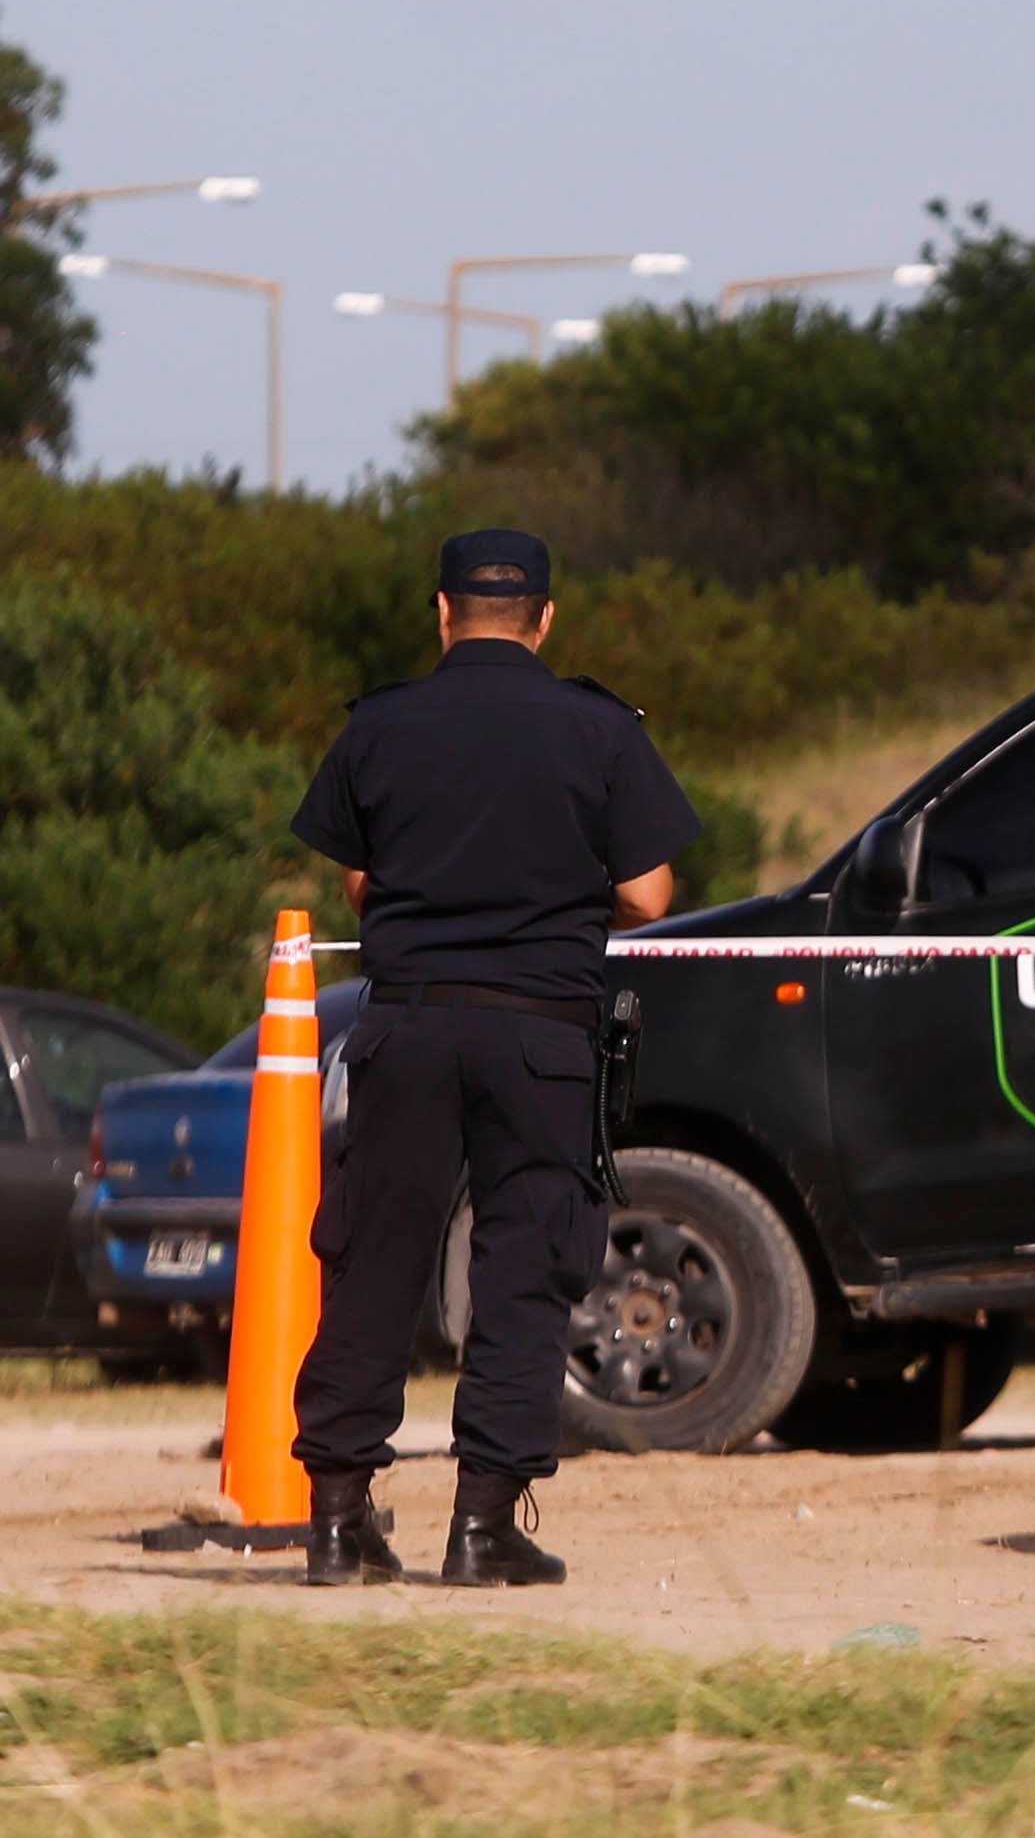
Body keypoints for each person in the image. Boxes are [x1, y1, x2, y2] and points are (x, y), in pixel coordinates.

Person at [286, 528, 699, 1587]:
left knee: (375, 1262)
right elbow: (651, 894)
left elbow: (362, 888)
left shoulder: (380, 725)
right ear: (545, 618)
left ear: (442, 612)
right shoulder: (598, 728)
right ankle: (481, 1528)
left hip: (409, 1023)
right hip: (541, 1035)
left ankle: (336, 1519)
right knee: (523, 1268)